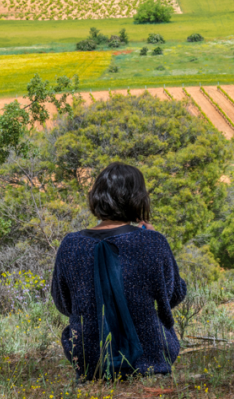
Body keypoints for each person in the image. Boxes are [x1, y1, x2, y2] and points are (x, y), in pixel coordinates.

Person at [51, 162, 187, 381]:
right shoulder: (153, 242)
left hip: (90, 362)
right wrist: (151, 238)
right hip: (149, 359)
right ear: (137, 198)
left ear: (97, 196)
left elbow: (63, 304)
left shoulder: (70, 245)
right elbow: (173, 295)